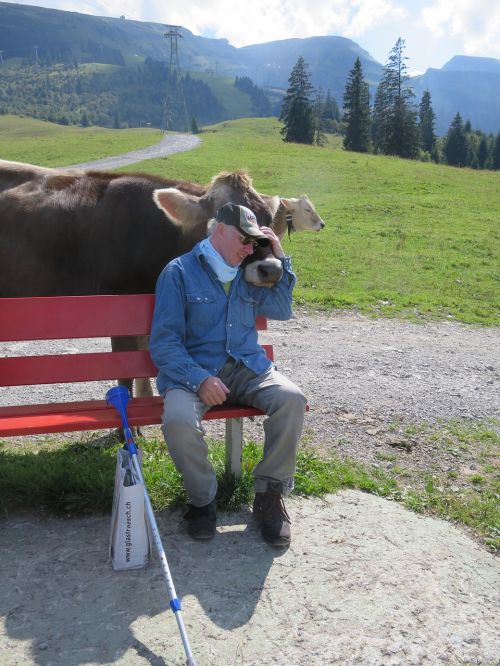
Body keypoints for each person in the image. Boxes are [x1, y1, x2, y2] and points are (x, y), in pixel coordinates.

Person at [150, 202, 306, 547]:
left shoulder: (251, 271)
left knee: (292, 399)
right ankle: (203, 501)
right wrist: (199, 379)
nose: (250, 248)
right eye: (244, 240)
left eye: (254, 242)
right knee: (177, 419)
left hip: (248, 369)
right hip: (194, 375)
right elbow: (164, 343)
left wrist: (278, 257)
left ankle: (268, 496)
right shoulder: (178, 273)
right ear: (219, 230)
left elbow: (282, 308)